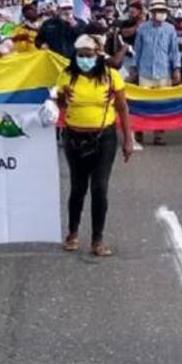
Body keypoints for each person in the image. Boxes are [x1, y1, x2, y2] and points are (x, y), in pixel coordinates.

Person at [56, 34, 135, 258]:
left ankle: (97, 240)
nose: (83, 59)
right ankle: (72, 233)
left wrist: (128, 139)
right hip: (74, 138)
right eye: (80, 55)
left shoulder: (111, 76)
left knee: (99, 187)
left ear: (98, 55)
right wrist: (61, 99)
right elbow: (59, 103)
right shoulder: (67, 75)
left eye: (88, 55)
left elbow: (122, 108)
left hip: (104, 138)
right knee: (78, 187)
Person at [131, 0, 181, 146]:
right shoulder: (142, 29)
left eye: (163, 11)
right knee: (142, 103)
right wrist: (134, 69)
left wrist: (176, 69)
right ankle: (139, 131)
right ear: (152, 13)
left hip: (163, 71)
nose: (161, 13)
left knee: (161, 104)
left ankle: (158, 133)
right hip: (145, 72)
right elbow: (137, 50)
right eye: (158, 11)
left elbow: (174, 51)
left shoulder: (170, 29)